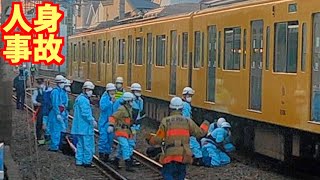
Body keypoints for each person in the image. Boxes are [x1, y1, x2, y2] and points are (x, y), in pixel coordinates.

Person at [146, 97, 209, 180]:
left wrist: (150, 139)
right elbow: (200, 133)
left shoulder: (166, 121)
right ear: (182, 108)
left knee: (168, 174)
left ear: (170, 108)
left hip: (170, 154)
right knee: (180, 175)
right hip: (183, 155)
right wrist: (206, 122)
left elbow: (158, 139)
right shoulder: (187, 121)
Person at [71, 81, 97, 167]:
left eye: (91, 90)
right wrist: (92, 120)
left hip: (79, 127)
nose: (90, 92)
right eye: (89, 90)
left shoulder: (79, 98)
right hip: (85, 128)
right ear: (85, 90)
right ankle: (87, 162)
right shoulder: (84, 100)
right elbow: (86, 113)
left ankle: (79, 161)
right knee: (88, 145)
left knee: (80, 145)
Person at [108, 92, 136, 171]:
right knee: (125, 146)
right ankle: (128, 163)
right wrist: (111, 125)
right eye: (131, 101)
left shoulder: (128, 109)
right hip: (121, 130)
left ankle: (116, 160)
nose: (132, 102)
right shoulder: (122, 109)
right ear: (127, 101)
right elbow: (113, 117)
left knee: (122, 147)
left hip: (127, 130)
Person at [180, 87, 202, 165]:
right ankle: (198, 158)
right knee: (193, 142)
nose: (190, 97)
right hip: (185, 127)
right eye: (189, 95)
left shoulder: (181, 104)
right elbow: (187, 118)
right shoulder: (186, 105)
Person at [48, 75, 68, 151]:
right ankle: (54, 146)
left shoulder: (61, 91)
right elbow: (55, 104)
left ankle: (57, 145)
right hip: (55, 113)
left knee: (59, 130)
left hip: (60, 112)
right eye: (61, 82)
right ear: (58, 83)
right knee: (55, 130)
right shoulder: (55, 92)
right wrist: (57, 114)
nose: (63, 84)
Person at [98, 83, 117, 162]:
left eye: (113, 91)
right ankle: (101, 154)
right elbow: (103, 107)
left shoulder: (114, 99)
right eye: (111, 91)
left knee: (110, 139)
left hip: (111, 122)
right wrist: (110, 102)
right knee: (103, 139)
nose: (112, 92)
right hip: (103, 122)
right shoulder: (105, 98)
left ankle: (107, 155)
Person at [130, 83, 145, 165]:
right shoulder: (130, 101)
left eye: (139, 91)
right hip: (130, 124)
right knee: (130, 142)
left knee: (131, 142)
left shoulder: (140, 101)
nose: (138, 92)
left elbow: (140, 112)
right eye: (136, 91)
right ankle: (129, 159)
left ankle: (126, 157)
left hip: (136, 124)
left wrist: (138, 123)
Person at [32, 77, 47, 145]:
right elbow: (33, 100)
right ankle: (39, 139)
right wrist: (37, 103)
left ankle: (46, 138)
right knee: (39, 124)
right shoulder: (36, 91)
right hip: (40, 109)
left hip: (45, 109)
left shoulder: (46, 89)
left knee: (46, 123)